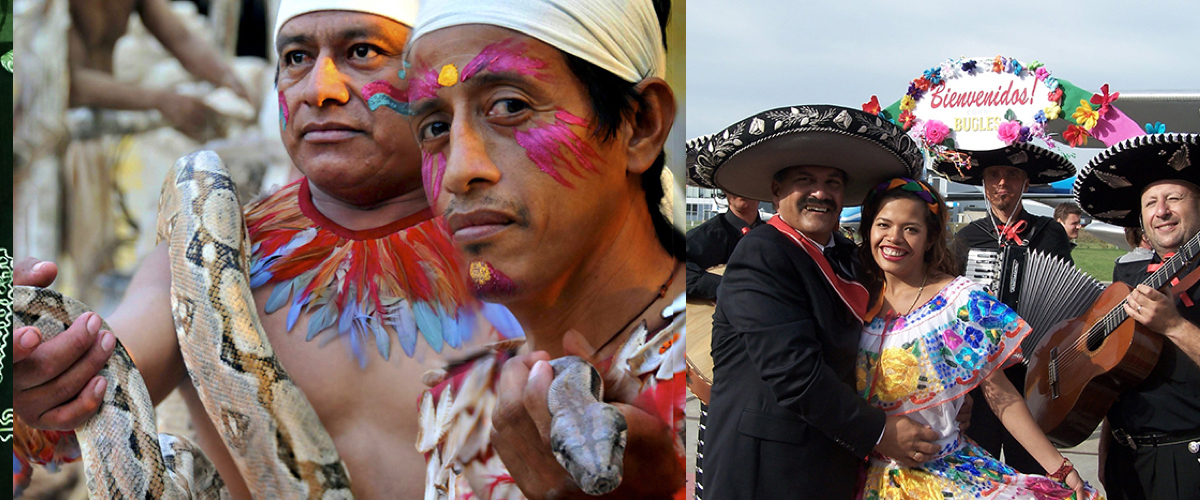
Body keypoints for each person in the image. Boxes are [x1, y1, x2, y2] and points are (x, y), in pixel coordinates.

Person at [11, 2, 520, 497]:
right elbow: (73, 402)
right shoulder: (205, 253)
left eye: (361, 52)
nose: (319, 90)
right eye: (296, 57)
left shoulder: (529, 247)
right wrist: (30, 367)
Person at [400, 0, 686, 498]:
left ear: (639, 125)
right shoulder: (459, 406)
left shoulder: (730, 354)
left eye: (510, 106)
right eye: (435, 128)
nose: (458, 171)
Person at [689, 104, 951, 499]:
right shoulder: (761, 254)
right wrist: (880, 431)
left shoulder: (851, 258)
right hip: (766, 472)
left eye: (833, 182)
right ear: (775, 191)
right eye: (804, 180)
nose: (820, 193)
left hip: (832, 464)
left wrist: (945, 403)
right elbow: (793, 373)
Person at [854, 176, 1099, 499]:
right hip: (862, 475)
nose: (894, 238)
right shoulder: (854, 295)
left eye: (911, 228)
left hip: (940, 477)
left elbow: (1002, 396)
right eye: (883, 225)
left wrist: (1059, 467)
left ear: (930, 239)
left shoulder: (959, 302)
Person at [934, 142, 1075, 474]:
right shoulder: (968, 237)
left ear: (1025, 183)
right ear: (983, 183)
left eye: (1011, 175)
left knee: (1031, 468)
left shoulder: (1049, 232)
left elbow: (1063, 291)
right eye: (994, 175)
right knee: (981, 468)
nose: (1001, 183)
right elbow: (953, 306)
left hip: (1032, 374)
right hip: (982, 377)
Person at [1075, 133, 1200, 500]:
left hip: (1188, 460)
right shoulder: (1128, 276)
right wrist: (1107, 449)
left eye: (1174, 199)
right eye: (1150, 203)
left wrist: (1175, 326)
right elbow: (1118, 369)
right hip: (1126, 461)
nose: (1161, 211)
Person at [67, 0, 249, 139]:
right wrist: (161, 100)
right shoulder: (55, 7)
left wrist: (229, 78)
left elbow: (182, 40)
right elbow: (70, 82)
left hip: (101, 129)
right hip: (58, 131)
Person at [686, 191, 764, 300]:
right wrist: (726, 288)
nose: (741, 188)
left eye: (749, 182)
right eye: (733, 184)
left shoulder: (777, 237)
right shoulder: (702, 236)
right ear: (724, 189)